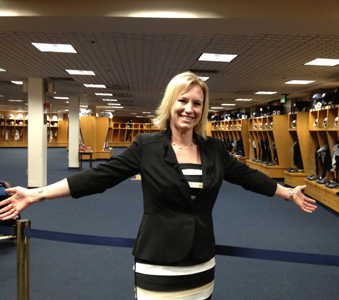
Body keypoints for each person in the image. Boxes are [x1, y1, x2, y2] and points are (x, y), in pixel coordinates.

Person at [0, 71, 317, 299]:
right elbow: (96, 179)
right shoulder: (146, 146)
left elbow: (249, 178)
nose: (189, 109)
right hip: (158, 264)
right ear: (171, 103)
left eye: (197, 103)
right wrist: (36, 194)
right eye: (183, 100)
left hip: (201, 262)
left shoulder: (214, 150)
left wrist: (289, 193)